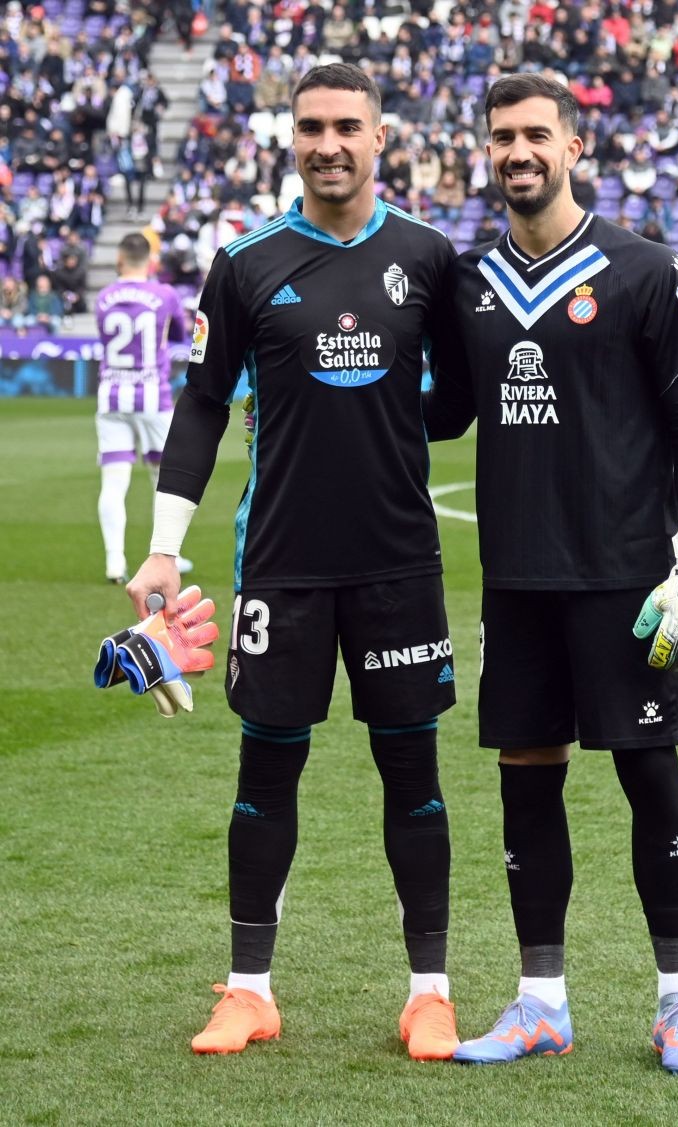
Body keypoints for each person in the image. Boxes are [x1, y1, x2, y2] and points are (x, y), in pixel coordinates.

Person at [125, 64, 463, 1061]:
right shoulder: (245, 262)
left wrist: (389, 413)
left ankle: (431, 995)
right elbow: (202, 402)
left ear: (379, 136)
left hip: (399, 561)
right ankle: (250, 990)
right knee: (266, 771)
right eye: (311, 126)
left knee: (414, 774)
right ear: (292, 138)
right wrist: (163, 545)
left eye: (347, 126)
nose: (328, 144)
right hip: (280, 562)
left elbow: (456, 403)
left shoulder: (427, 255)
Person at [423, 74, 678, 1074]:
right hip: (516, 578)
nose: (519, 152)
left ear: (573, 146)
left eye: (536, 135)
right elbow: (446, 412)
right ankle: (541, 1001)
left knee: (651, 778)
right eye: (502, 136)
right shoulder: (470, 283)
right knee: (526, 785)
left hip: (626, 580)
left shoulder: (644, 269)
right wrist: (330, 402)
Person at [95, 232, 192, 584]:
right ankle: (167, 555)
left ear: (119, 260)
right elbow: (180, 334)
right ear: (151, 261)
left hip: (112, 395)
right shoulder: (164, 295)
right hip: (153, 395)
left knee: (114, 481)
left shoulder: (104, 297)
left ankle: (114, 561)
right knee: (163, 478)